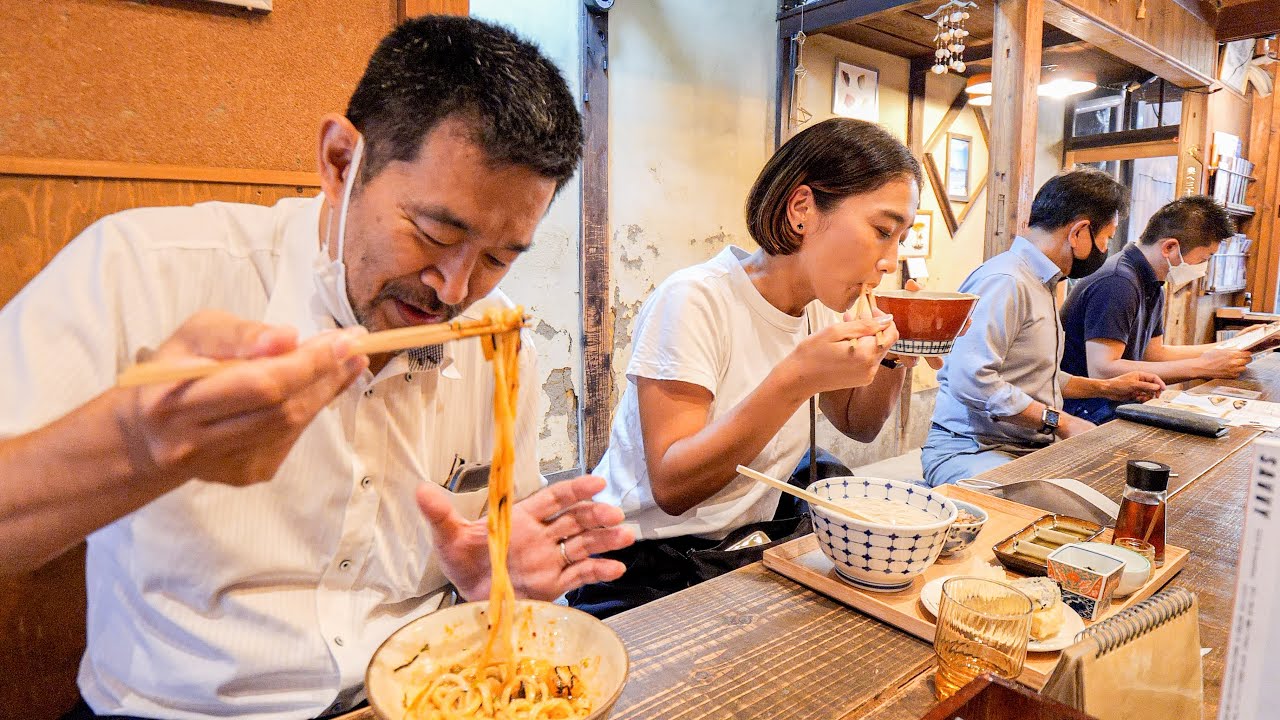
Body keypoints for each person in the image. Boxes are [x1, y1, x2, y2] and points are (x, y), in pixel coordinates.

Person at [0, 16, 632, 719]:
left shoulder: (501, 344)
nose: (455, 289)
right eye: (434, 233)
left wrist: (490, 587)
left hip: (416, 696)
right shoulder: (143, 271)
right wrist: (142, 447)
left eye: (497, 257)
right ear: (339, 162)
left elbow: (495, 559)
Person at [569, 118, 924, 619]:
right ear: (802, 209)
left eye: (902, 238)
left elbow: (858, 425)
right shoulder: (695, 299)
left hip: (737, 549)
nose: (891, 260)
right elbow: (672, 487)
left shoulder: (821, 307)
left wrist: (900, 350)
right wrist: (795, 379)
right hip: (639, 558)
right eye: (883, 231)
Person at [923, 169, 1165, 488]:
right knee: (1052, 505)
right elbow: (971, 381)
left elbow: (1036, 377)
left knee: (1116, 481)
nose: (1106, 248)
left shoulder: (1043, 282)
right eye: (1106, 238)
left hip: (1023, 447)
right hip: (971, 450)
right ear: (1079, 232)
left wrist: (1107, 387)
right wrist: (1060, 421)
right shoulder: (1006, 281)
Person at [1060, 195, 1249, 423]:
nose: (1203, 268)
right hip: (1084, 412)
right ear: (1170, 247)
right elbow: (1102, 370)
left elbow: (1154, 354)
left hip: (1114, 405)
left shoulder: (1152, 282)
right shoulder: (1118, 281)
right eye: (1204, 258)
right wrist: (1202, 367)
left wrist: (1234, 345)